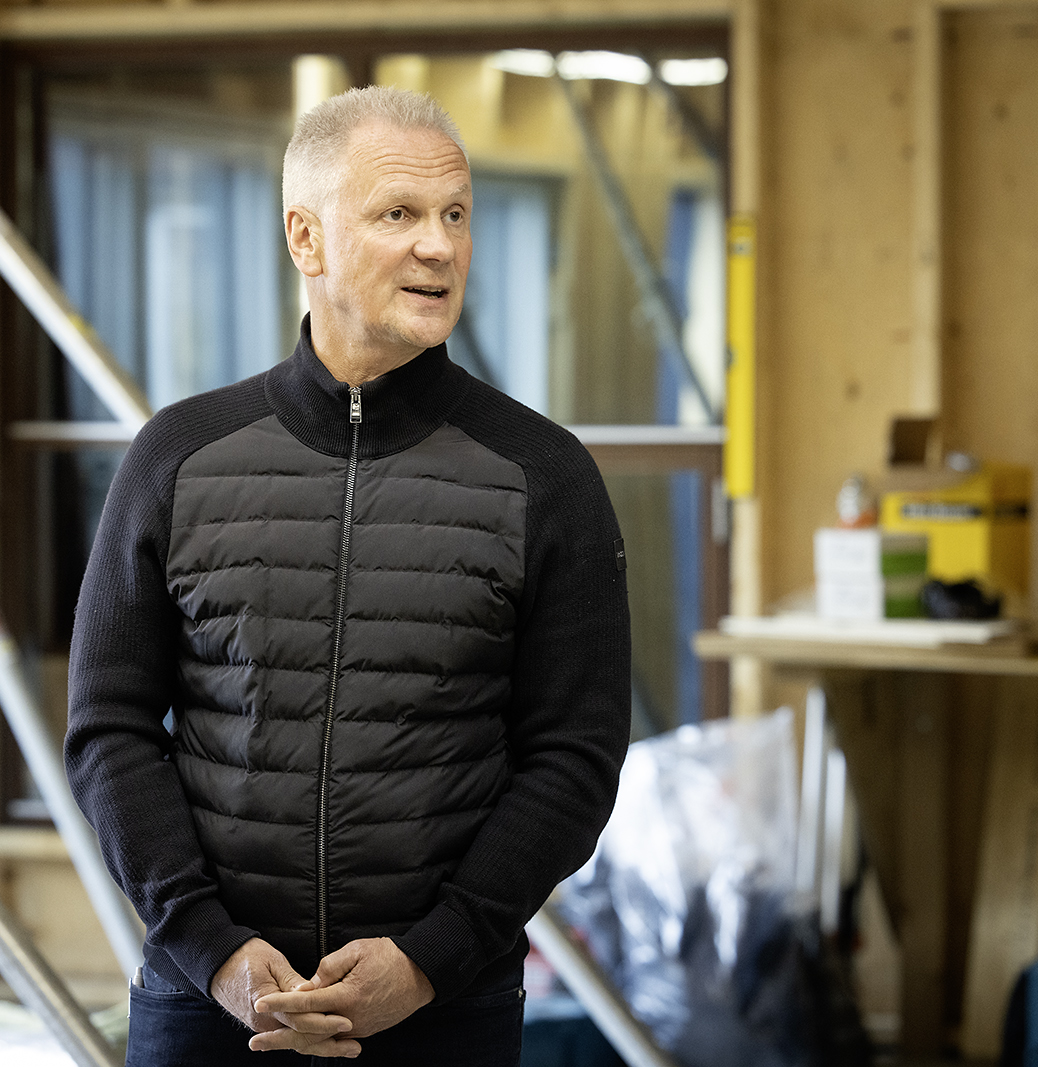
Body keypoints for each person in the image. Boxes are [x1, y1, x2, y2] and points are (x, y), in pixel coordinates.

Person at [65, 85, 630, 1064]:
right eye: (398, 214)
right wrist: (214, 948)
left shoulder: (545, 475)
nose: (439, 245)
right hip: (208, 1004)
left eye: (455, 214)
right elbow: (109, 725)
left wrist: (428, 957)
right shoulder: (178, 457)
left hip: (442, 1007)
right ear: (306, 238)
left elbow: (572, 755)